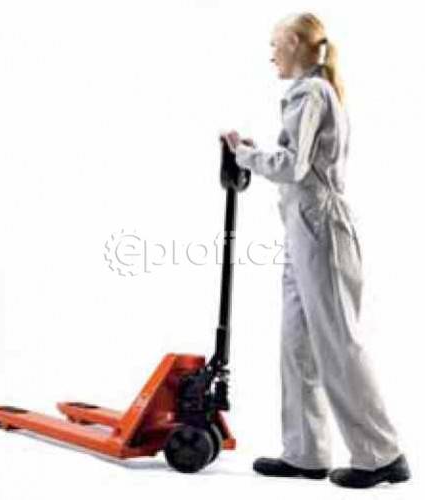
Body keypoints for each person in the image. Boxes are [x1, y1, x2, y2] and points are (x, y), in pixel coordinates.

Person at [220, 12, 411, 489]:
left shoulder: (309, 92)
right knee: (297, 343)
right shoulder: (311, 92)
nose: (271, 54)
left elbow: (294, 166)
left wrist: (246, 155)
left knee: (338, 342)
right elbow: (295, 160)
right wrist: (256, 152)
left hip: (321, 228)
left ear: (296, 45)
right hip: (302, 228)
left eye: (276, 44)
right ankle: (306, 452)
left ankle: (381, 454)